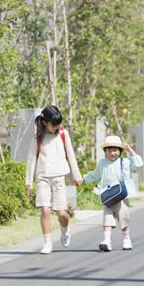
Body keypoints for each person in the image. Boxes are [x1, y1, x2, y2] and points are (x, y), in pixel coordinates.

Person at [25, 105, 83, 254]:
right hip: (42, 177)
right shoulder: (37, 138)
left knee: (62, 214)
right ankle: (47, 243)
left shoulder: (63, 134)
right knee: (45, 210)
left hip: (59, 177)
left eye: (58, 124)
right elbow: (31, 160)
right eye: (54, 124)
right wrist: (29, 182)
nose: (56, 127)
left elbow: (71, 155)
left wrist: (77, 175)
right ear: (45, 122)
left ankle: (65, 229)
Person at [81, 135, 143, 252]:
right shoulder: (102, 163)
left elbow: (139, 163)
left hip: (121, 196)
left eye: (115, 150)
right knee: (107, 217)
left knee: (123, 217)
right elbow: (94, 174)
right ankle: (107, 241)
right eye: (109, 150)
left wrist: (129, 150)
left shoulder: (124, 162)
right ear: (105, 151)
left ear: (120, 151)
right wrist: (83, 179)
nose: (112, 153)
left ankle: (126, 239)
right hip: (108, 196)